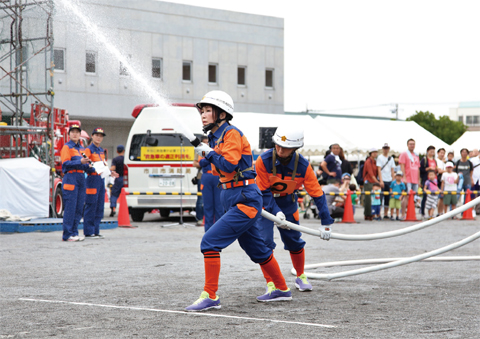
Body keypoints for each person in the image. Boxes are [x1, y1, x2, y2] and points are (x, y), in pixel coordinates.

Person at [186, 90, 292, 311]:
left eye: (207, 111)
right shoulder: (216, 137)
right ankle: (281, 289)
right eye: (202, 111)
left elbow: (228, 165)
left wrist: (207, 151)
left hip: (244, 196)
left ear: (222, 114)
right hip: (233, 195)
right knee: (256, 249)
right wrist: (207, 151)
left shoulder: (231, 133)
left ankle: (210, 296)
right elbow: (218, 166)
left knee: (209, 242)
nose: (203, 115)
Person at [255, 126, 333, 292]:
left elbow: (317, 193)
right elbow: (263, 192)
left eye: (285, 147)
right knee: (264, 242)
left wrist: (326, 222)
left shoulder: (303, 165)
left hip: (288, 203)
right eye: (277, 144)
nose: (280, 149)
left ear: (295, 148)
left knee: (294, 241)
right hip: (265, 204)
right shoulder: (263, 160)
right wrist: (276, 212)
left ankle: (300, 276)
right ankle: (271, 283)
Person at [84, 128, 118, 238]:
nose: (99, 137)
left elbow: (103, 165)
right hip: (92, 179)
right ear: (92, 136)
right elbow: (85, 164)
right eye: (97, 135)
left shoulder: (101, 150)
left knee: (99, 206)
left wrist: (110, 172)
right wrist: (92, 168)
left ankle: (96, 230)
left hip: (101, 179)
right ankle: (89, 231)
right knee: (91, 205)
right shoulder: (88, 150)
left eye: (101, 136)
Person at [60, 124, 92, 242]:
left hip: (81, 178)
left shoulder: (82, 149)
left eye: (77, 132)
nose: (75, 134)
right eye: (72, 132)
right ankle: (67, 234)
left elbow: (87, 165)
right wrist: (80, 161)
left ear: (80, 135)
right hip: (71, 178)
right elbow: (65, 164)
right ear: (69, 134)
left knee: (79, 208)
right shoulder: (67, 147)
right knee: (70, 208)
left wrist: (102, 170)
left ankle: (74, 232)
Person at [194, 136, 223, 231]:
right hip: (207, 176)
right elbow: (199, 163)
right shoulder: (203, 150)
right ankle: (209, 230)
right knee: (208, 206)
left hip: (217, 177)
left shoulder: (219, 147)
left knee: (219, 206)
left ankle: (218, 230)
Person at [399, 139, 420, 220]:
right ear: (407, 145)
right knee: (407, 196)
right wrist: (403, 177)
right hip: (407, 178)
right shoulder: (404, 154)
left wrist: (418, 179)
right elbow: (402, 166)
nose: (412, 145)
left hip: (415, 178)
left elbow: (417, 167)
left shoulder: (416, 155)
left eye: (413, 144)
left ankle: (411, 212)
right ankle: (403, 214)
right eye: (410, 144)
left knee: (414, 197)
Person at [376, 143, 395, 219]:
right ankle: (379, 213)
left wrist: (393, 181)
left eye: (387, 148)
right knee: (380, 197)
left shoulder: (391, 158)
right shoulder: (380, 157)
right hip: (383, 179)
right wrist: (381, 180)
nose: (386, 150)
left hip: (389, 179)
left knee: (388, 198)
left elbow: (392, 170)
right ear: (382, 149)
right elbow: (379, 169)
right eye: (384, 148)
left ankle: (386, 213)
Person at [419, 146, 437, 218]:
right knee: (425, 196)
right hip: (426, 180)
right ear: (427, 151)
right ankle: (423, 212)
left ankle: (431, 213)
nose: (432, 152)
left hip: (434, 181)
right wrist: (428, 169)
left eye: (433, 151)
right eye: (431, 151)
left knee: (433, 197)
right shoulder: (424, 159)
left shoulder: (434, 160)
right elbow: (421, 169)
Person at [363, 147, 379, 221]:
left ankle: (371, 213)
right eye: (373, 152)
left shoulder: (375, 161)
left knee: (373, 199)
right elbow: (370, 173)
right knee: (368, 198)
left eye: (376, 152)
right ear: (370, 153)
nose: (375, 153)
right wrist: (377, 181)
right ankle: (368, 214)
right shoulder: (368, 161)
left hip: (373, 182)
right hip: (369, 181)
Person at [109, 145, 125, 217]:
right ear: (124, 151)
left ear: (117, 151)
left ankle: (113, 208)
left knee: (114, 194)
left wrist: (107, 170)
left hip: (118, 178)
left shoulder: (115, 159)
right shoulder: (126, 159)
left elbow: (113, 168)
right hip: (127, 179)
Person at [436, 148, 447, 215]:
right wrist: (448, 170)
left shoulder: (443, 162)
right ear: (438, 153)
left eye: (443, 153)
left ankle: (441, 212)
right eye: (441, 153)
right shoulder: (436, 161)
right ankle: (438, 212)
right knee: (438, 197)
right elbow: (439, 171)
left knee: (442, 197)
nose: (442, 154)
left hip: (443, 180)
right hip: (438, 180)